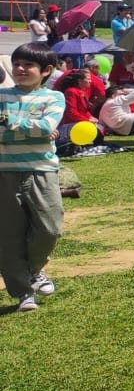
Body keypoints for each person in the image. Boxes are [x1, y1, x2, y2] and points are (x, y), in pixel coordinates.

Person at [0, 42, 66, 312]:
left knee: (50, 229)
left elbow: (48, 126)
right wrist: (35, 131)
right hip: (4, 172)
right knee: (9, 235)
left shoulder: (54, 98)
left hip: (42, 170)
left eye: (28, 65)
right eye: (17, 64)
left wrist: (8, 123)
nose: (20, 69)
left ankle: (34, 270)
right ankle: (23, 293)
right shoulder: (2, 95)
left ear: (46, 70)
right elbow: (40, 130)